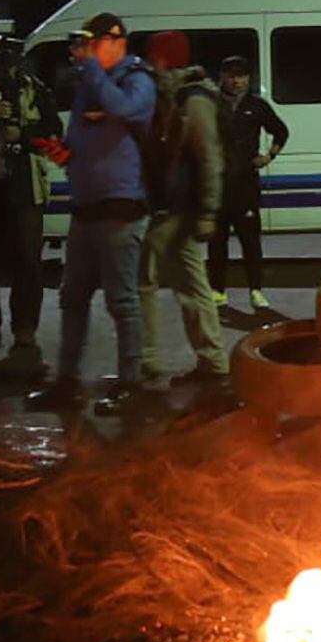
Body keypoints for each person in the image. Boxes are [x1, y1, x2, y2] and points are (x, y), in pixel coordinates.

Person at [27, 13, 157, 414]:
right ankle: (67, 383)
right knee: (73, 298)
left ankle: (131, 384)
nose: (84, 51)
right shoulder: (89, 84)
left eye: (93, 42)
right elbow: (79, 140)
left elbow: (123, 109)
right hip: (85, 209)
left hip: (123, 208)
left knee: (122, 301)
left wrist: (90, 70)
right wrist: (62, 153)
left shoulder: (137, 81)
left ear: (117, 41)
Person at [0, 32, 60, 372]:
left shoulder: (31, 88)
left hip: (24, 189)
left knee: (28, 264)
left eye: (2, 57)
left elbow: (54, 131)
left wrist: (25, 134)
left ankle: (24, 331)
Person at [139, 31, 227, 384]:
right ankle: (212, 362)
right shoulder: (180, 96)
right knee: (191, 286)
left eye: (153, 59)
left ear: (165, 60)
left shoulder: (194, 101)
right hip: (180, 206)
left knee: (143, 279)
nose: (149, 66)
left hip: (181, 208)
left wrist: (208, 211)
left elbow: (209, 159)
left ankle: (146, 359)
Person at [209, 56, 289, 309]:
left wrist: (269, 156)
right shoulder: (210, 104)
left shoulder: (256, 106)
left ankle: (256, 291)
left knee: (250, 242)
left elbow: (281, 131)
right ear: (221, 76)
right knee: (216, 242)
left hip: (245, 185)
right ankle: (218, 291)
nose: (236, 80)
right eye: (231, 75)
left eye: (241, 76)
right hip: (217, 186)